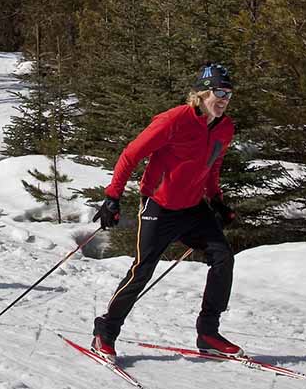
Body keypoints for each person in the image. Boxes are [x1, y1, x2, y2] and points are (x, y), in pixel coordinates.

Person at [90, 63, 239, 363]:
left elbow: (212, 167)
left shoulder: (225, 128)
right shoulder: (174, 120)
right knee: (142, 270)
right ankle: (104, 334)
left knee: (223, 258)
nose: (223, 99)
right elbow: (131, 154)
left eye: (228, 94)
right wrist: (112, 197)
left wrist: (217, 200)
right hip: (159, 205)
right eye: (218, 92)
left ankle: (208, 334)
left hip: (194, 208)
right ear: (201, 93)